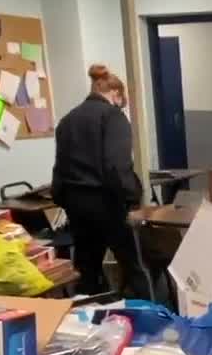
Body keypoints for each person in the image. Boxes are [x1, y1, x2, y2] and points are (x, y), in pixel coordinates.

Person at [52, 64, 150, 298]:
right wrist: (132, 199)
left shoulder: (67, 120)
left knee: (86, 270)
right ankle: (152, 318)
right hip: (107, 203)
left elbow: (60, 167)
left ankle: (89, 325)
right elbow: (116, 166)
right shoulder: (113, 117)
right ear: (116, 94)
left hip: (76, 205)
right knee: (134, 267)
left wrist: (64, 199)